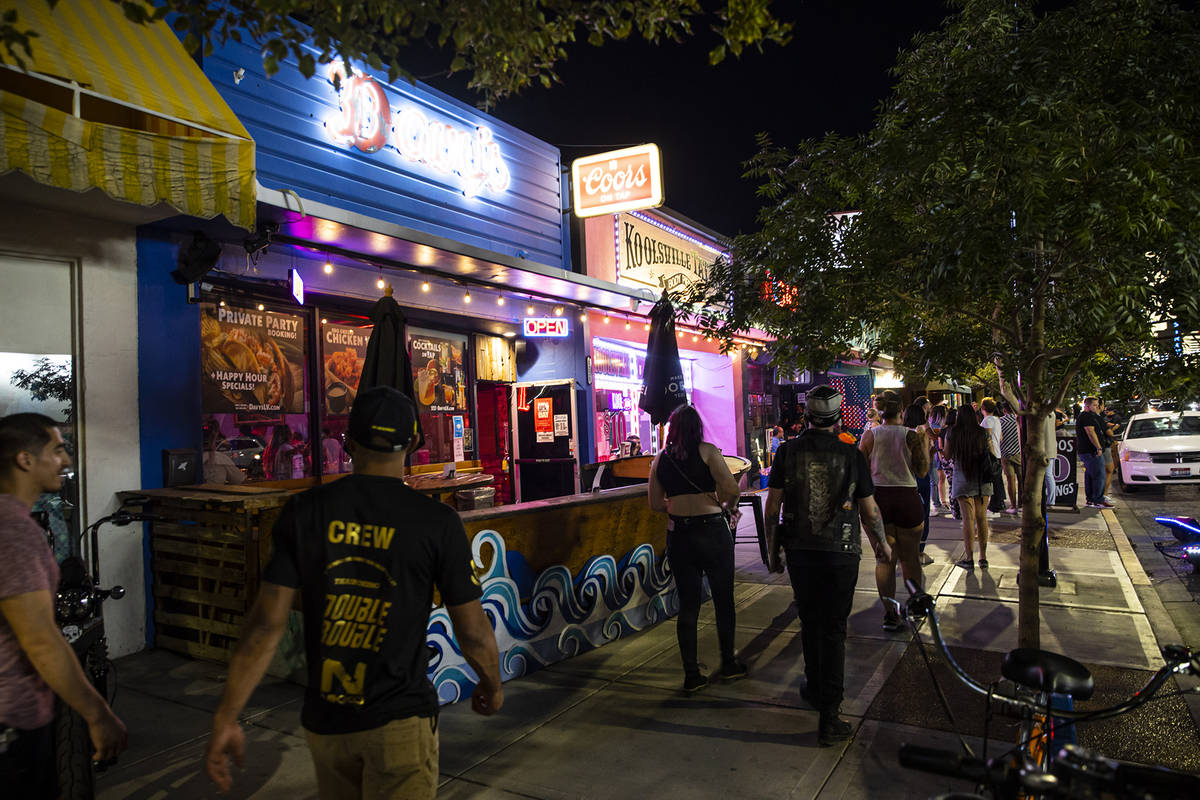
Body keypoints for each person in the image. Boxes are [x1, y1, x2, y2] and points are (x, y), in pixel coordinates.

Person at [204, 388, 503, 798]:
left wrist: (227, 716)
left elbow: (265, 626)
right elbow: (471, 629)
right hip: (401, 721)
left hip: (327, 723)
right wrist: (491, 682)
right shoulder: (437, 522)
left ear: (349, 441)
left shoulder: (304, 512)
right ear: (414, 443)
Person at [0, 413, 127, 797]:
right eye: (57, 450)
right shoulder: (15, 533)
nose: (67, 461)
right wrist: (97, 713)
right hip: (12, 724)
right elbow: (39, 639)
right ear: (25, 460)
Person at [764, 386, 891, 746]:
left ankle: (815, 686)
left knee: (809, 620)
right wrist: (882, 544)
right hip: (842, 552)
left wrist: (773, 553)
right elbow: (869, 510)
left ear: (806, 417)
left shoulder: (786, 452)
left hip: (801, 551)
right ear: (837, 419)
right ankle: (830, 713)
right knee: (834, 629)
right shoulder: (852, 455)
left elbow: (772, 509)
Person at [648, 405, 745, 694]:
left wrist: (679, 503)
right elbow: (733, 489)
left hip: (679, 534)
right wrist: (727, 507)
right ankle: (728, 664)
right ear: (697, 427)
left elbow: (654, 504)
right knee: (723, 599)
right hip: (712, 530)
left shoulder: (659, 460)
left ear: (672, 428)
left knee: (688, 605)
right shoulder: (708, 451)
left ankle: (692, 674)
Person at [860, 391, 929, 631]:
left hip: (880, 501)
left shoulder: (870, 436)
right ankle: (915, 604)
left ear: (880, 411)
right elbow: (922, 471)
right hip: (907, 498)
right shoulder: (912, 436)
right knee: (910, 558)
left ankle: (890, 613)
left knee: (885, 559)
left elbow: (860, 472)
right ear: (902, 409)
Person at [945, 407, 996, 569]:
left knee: (968, 519)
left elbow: (946, 455)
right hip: (982, 478)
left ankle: (969, 558)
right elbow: (992, 453)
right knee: (982, 518)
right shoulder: (982, 432)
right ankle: (983, 557)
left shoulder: (953, 433)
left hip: (962, 478)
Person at [1075, 397, 1111, 509]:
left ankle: (1091, 499)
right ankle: (1098, 499)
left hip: (1087, 450)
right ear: (1087, 405)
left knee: (1091, 475)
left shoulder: (1088, 416)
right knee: (1099, 475)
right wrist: (1098, 447)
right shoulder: (1087, 416)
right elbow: (1090, 432)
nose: (1097, 407)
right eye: (1094, 405)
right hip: (1091, 451)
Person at [979, 398, 1006, 518]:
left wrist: (991, 452)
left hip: (991, 454)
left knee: (993, 481)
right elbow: (1000, 438)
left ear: (983, 408)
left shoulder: (987, 421)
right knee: (997, 480)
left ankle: (995, 507)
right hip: (997, 453)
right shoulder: (996, 419)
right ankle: (998, 504)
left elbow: (987, 438)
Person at [998, 401, 1022, 514]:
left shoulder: (1001, 421)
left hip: (1006, 454)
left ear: (1004, 410)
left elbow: (999, 437)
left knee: (1010, 480)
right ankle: (1022, 503)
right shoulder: (1019, 420)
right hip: (1019, 453)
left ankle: (1013, 505)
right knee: (1021, 479)